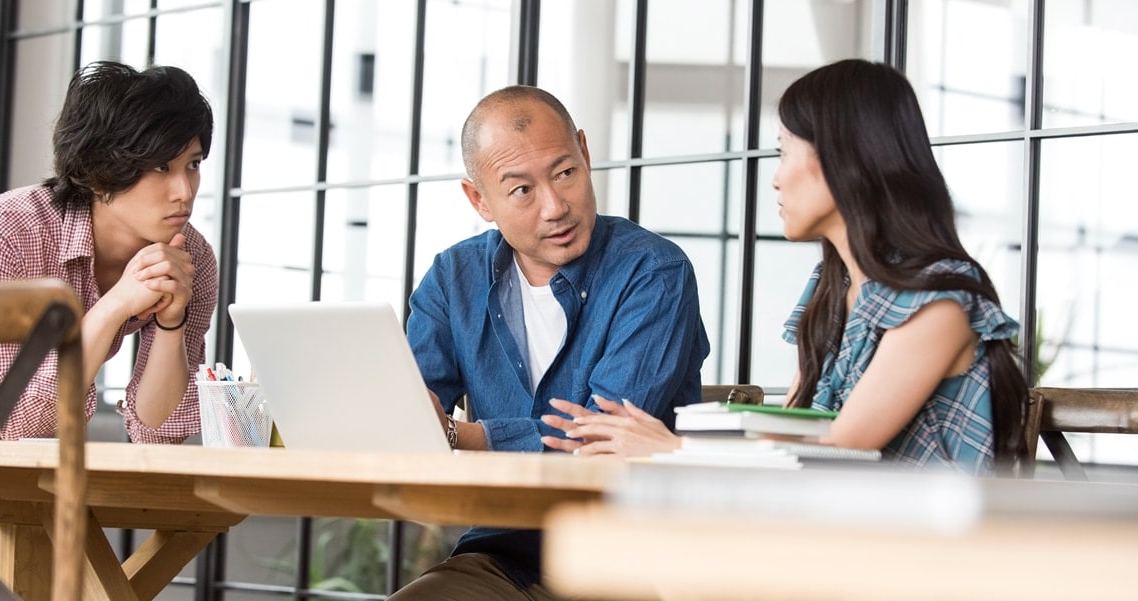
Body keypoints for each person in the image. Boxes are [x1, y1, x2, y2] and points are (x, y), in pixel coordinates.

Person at [543, 59, 1028, 476]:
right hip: (833, 543)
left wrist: (674, 447)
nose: (774, 180)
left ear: (842, 160)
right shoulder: (832, 292)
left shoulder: (940, 303)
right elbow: (796, 432)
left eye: (782, 151)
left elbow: (839, 450)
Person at [392, 85, 710, 600]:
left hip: (624, 559)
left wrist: (463, 437)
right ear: (480, 200)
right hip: (502, 555)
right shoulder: (454, 278)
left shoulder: (654, 272)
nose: (556, 206)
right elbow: (410, 416)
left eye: (565, 173)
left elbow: (602, 440)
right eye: (521, 190)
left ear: (584, 153)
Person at [0, 61, 218, 444]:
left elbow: (157, 434)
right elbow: (16, 424)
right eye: (160, 166)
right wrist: (115, 304)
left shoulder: (190, 258)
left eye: (193, 165)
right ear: (101, 165)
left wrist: (172, 324)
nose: (185, 191)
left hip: (18, 457)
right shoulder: (4, 231)